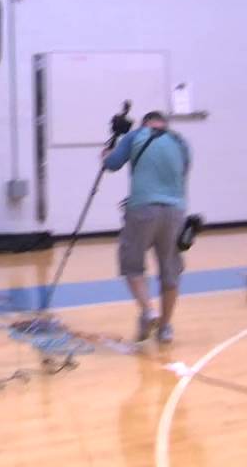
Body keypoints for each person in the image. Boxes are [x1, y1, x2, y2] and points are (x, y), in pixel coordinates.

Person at [102, 110, 191, 344]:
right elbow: (181, 173)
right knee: (170, 270)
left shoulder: (135, 136)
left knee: (132, 265)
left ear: (145, 123)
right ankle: (166, 328)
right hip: (175, 211)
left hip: (142, 209)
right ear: (165, 124)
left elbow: (111, 164)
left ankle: (148, 311)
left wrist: (106, 153)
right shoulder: (180, 141)